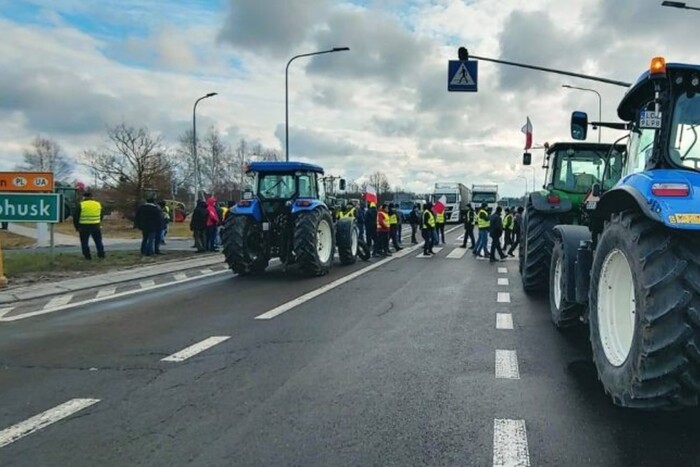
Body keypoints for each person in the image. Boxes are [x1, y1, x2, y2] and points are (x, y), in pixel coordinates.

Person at [73, 192, 105, 260]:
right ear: (92, 197)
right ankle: (101, 254)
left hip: (84, 226)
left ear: (84, 197)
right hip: (95, 225)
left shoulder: (81, 204)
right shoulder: (98, 204)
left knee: (84, 242)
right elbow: (101, 215)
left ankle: (87, 256)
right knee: (98, 241)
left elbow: (76, 216)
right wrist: (98, 222)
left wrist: (76, 227)